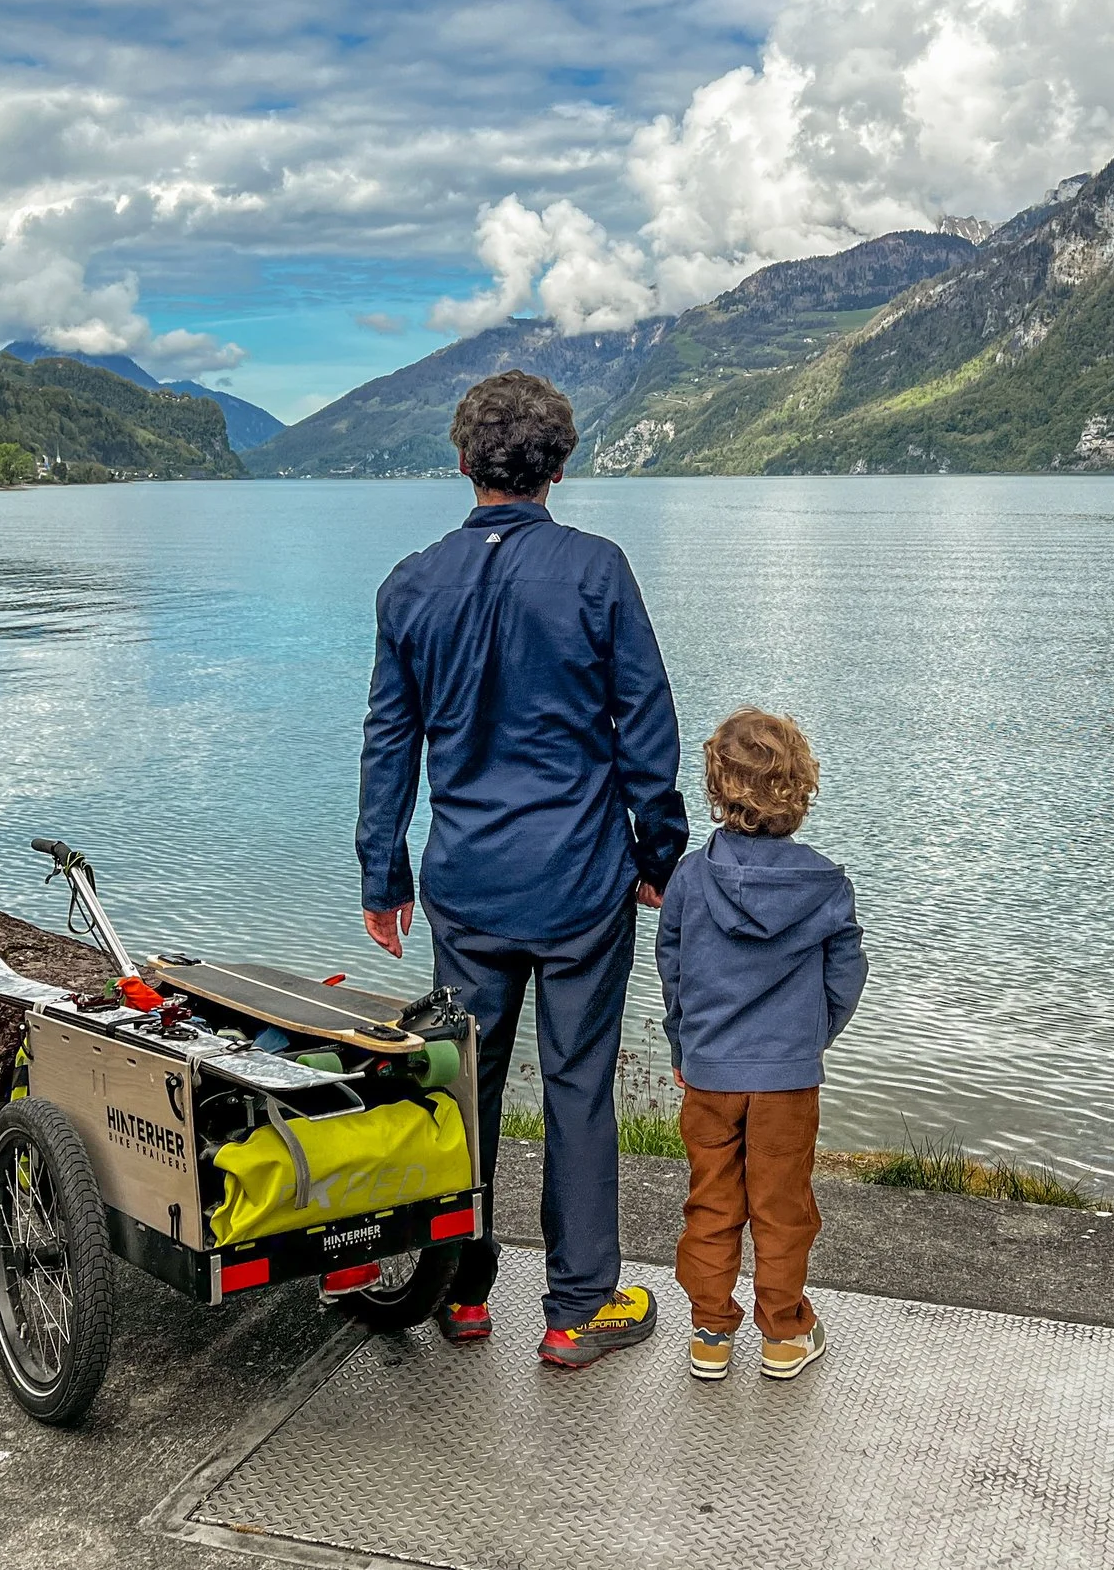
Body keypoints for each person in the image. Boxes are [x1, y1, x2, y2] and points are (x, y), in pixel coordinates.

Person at [358, 369, 690, 1370]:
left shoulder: (411, 584)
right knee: (579, 1087)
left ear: (462, 464)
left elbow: (388, 742)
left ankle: (459, 1289)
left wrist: (384, 874)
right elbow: (646, 727)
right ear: (561, 464)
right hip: (583, 882)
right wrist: (658, 853)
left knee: (459, 1089)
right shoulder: (597, 571)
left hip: (465, 887)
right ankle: (578, 1307)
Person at [656, 706, 867, 1383]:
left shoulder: (690, 880)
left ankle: (711, 1332)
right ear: (799, 788)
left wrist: (685, 1046)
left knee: (711, 1203)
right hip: (787, 1079)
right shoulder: (826, 886)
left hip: (711, 1074)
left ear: (717, 788)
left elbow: (674, 970)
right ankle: (784, 1332)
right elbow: (845, 976)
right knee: (783, 1207)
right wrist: (808, 1041)